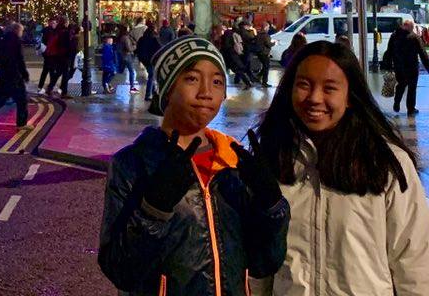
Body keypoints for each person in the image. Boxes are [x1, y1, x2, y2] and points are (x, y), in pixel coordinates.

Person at [99, 36, 290, 294]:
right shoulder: (133, 164)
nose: (206, 92)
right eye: (191, 79)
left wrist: (272, 207)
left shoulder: (233, 162)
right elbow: (121, 271)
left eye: (217, 82)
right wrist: (153, 210)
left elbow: (263, 262)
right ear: (167, 88)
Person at [252, 40, 429, 295]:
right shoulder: (271, 160)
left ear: (350, 96)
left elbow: (416, 262)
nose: (314, 98)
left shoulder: (385, 163)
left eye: (329, 88)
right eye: (304, 85)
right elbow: (257, 266)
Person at [382, 19, 429, 115]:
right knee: (412, 88)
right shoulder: (414, 37)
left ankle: (397, 102)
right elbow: (422, 53)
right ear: (410, 27)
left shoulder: (394, 36)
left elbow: (389, 51)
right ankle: (410, 109)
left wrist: (388, 65)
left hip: (398, 66)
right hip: (412, 67)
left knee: (401, 85)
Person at [135, 22, 161, 100]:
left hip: (144, 60)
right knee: (151, 76)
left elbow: (138, 48)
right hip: (151, 60)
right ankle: (148, 95)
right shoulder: (154, 39)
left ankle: (153, 92)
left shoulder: (142, 39)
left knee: (151, 75)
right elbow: (159, 48)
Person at [116, 24, 139, 93]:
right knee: (131, 72)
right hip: (127, 56)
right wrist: (135, 46)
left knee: (119, 71)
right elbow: (129, 48)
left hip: (122, 56)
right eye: (128, 28)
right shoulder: (125, 38)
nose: (129, 29)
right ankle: (132, 87)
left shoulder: (121, 37)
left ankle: (108, 83)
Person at [37, 17, 58, 92]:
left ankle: (42, 86)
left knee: (47, 70)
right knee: (50, 70)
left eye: (55, 23)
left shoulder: (46, 30)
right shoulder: (50, 31)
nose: (54, 24)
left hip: (47, 53)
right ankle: (50, 87)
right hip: (49, 53)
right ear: (49, 23)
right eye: (53, 23)